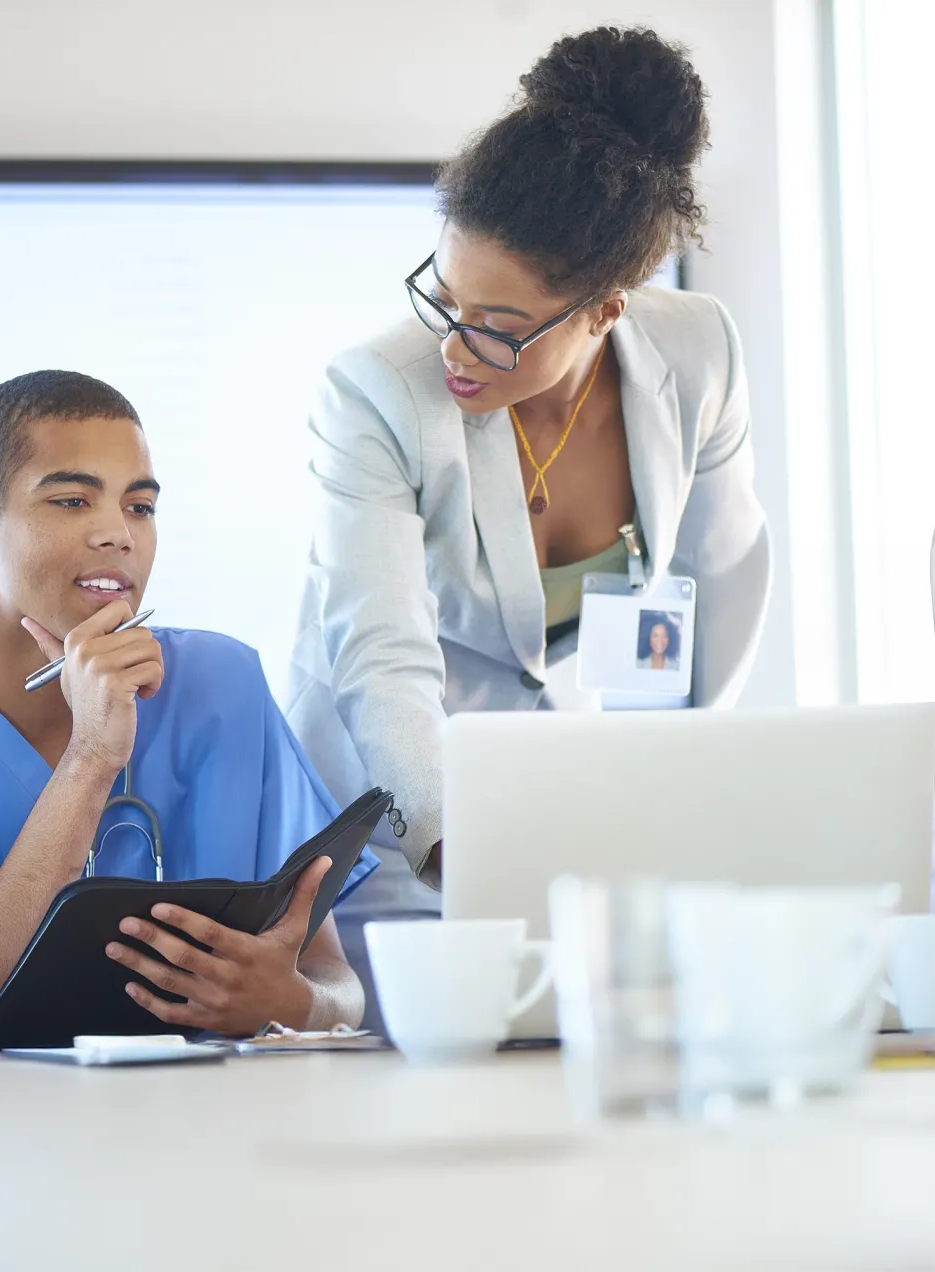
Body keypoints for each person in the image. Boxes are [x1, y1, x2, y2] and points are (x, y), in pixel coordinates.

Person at [286, 26, 771, 1022]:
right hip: (396, 839)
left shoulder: (698, 355)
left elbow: (714, 596)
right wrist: (471, 855)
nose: (455, 345)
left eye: (500, 327)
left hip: (576, 822)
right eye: (445, 296)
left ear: (606, 311)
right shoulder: (377, 393)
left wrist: (663, 813)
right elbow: (382, 660)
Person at [0, 371, 376, 1060]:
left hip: (194, 1139)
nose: (118, 534)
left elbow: (333, 985)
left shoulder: (221, 685)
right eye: (70, 499)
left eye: (140, 507)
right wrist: (90, 760)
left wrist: (289, 1003)